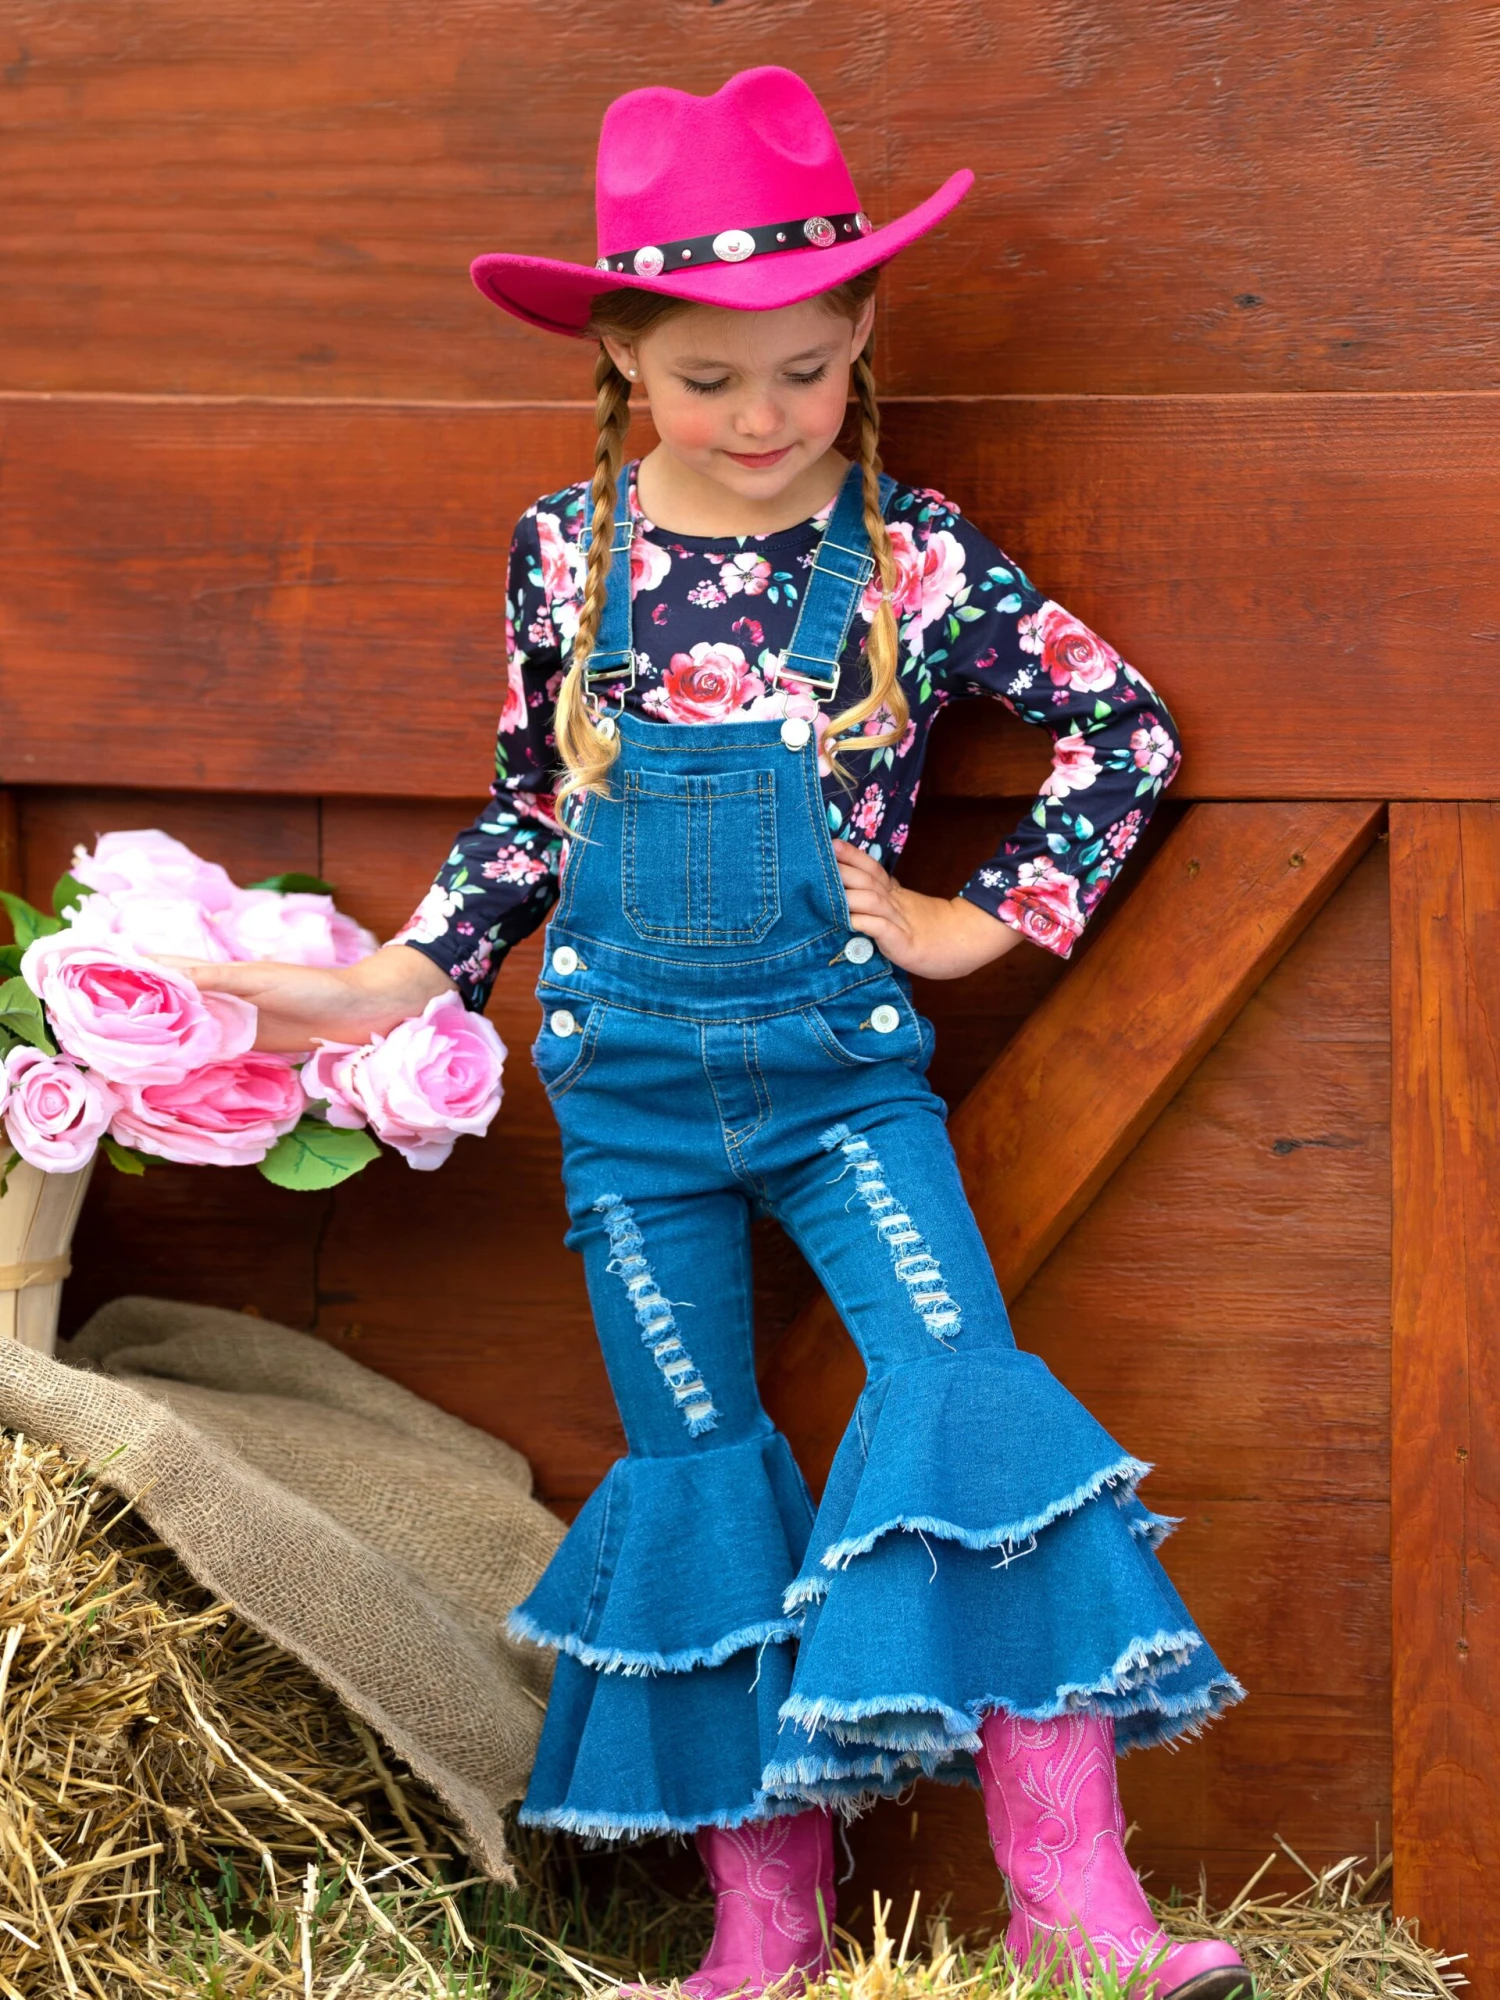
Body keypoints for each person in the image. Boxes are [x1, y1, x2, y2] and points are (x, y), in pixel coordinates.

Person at [178, 67, 1248, 2000]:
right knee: (696, 1470)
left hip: (842, 1084)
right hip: (632, 1100)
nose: (763, 418)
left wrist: (973, 922)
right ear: (620, 357)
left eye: (807, 372)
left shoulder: (911, 560)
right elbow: (532, 815)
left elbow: (1125, 730)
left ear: (863, 338)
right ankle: (764, 1934)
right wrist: (393, 980)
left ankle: (1077, 1920)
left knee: (968, 1395)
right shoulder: (562, 553)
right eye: (708, 379)